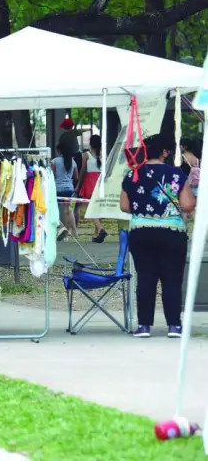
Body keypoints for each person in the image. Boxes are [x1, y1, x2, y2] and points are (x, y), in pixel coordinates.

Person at [120, 134, 195, 339]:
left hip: (141, 232)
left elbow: (125, 206)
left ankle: (144, 326)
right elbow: (188, 205)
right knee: (171, 279)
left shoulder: (131, 175)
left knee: (145, 278)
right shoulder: (177, 174)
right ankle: (174, 326)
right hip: (172, 234)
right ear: (165, 152)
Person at [77, 134, 106, 243]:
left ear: (90, 143)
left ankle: (101, 229)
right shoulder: (102, 155)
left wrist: (79, 185)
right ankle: (96, 233)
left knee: (91, 208)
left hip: (90, 181)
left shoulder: (86, 155)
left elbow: (83, 170)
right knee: (98, 208)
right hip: (100, 182)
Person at [51, 141, 79, 240]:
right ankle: (74, 232)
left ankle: (62, 228)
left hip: (57, 189)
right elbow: (76, 177)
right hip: (69, 189)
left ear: (59, 151)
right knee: (69, 211)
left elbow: (50, 175)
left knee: (53, 210)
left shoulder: (55, 161)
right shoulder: (73, 162)